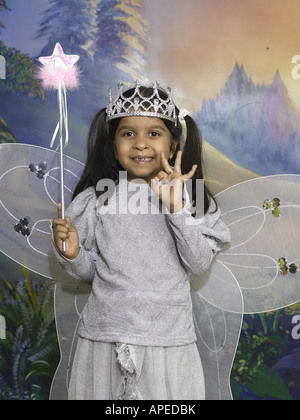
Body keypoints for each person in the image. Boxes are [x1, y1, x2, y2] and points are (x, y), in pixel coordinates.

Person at [52, 81, 230, 400]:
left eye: (154, 133)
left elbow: (198, 262)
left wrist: (176, 208)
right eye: (128, 133)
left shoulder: (191, 199)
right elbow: (93, 273)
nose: (140, 144)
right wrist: (74, 255)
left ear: (174, 145)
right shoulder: (99, 198)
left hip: (167, 341)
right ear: (113, 143)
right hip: (104, 338)